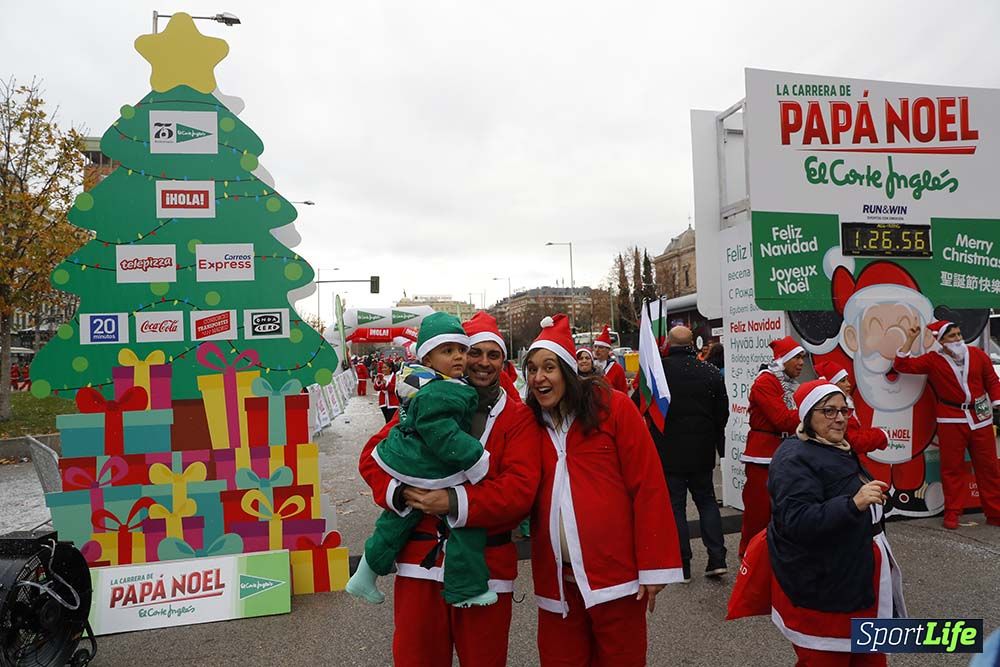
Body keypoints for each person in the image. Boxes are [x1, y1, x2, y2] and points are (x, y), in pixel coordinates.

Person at [358, 310, 541, 667]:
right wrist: (403, 493)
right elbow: (372, 458)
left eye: (493, 355)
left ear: (504, 361)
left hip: (485, 570)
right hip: (419, 564)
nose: (482, 363)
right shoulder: (427, 399)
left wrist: (452, 500)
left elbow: (520, 491)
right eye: (474, 352)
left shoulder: (517, 417)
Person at [524, 313, 683, 666]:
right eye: (531, 369)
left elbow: (648, 485)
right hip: (558, 585)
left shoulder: (614, 408)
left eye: (548, 367)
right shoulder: (529, 423)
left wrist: (654, 566)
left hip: (617, 578)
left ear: (567, 370)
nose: (539, 377)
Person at [347, 312, 495, 608]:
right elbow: (442, 434)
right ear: (427, 359)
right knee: (466, 531)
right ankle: (465, 589)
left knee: (393, 525)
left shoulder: (432, 385)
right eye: (449, 351)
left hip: (414, 465)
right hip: (429, 466)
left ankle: (364, 574)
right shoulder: (441, 391)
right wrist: (477, 459)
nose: (461, 358)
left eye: (461, 350)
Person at [767, 379, 905, 665]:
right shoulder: (793, 458)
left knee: (869, 659)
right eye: (829, 411)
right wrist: (853, 503)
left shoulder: (837, 446)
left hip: (856, 579)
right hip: (826, 587)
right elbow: (796, 520)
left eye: (844, 410)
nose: (840, 418)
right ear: (807, 416)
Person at [894, 320, 1000, 529]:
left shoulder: (978, 355)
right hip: (951, 418)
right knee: (952, 468)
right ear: (941, 341)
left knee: (989, 467)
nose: (958, 339)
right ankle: (953, 513)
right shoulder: (933, 360)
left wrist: (997, 400)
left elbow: (992, 380)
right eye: (952, 336)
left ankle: (995, 512)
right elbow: (901, 365)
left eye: (959, 334)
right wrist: (910, 339)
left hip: (980, 419)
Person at [646, 326, 729, 581]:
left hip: (669, 450)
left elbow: (649, 411)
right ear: (693, 343)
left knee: (676, 507)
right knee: (706, 502)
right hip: (702, 449)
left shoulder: (659, 373)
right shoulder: (710, 372)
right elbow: (721, 412)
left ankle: (683, 565)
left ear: (669, 344)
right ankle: (717, 558)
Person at [738, 335, 805, 557]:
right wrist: (814, 411)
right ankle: (750, 556)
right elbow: (782, 419)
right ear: (783, 359)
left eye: (803, 357)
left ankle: (774, 555)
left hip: (782, 451)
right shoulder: (766, 382)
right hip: (763, 455)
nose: (801, 363)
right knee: (759, 511)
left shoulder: (787, 384)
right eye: (796, 357)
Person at [813, 360, 889, 456]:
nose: (848, 384)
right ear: (832, 384)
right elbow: (854, 441)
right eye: (843, 380)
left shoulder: (830, 407)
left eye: (847, 380)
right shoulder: (840, 412)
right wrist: (881, 435)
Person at [592, 325, 628, 393]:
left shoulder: (617, 368)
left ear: (608, 350)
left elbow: (623, 391)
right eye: (595, 347)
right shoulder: (590, 366)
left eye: (601, 347)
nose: (597, 350)